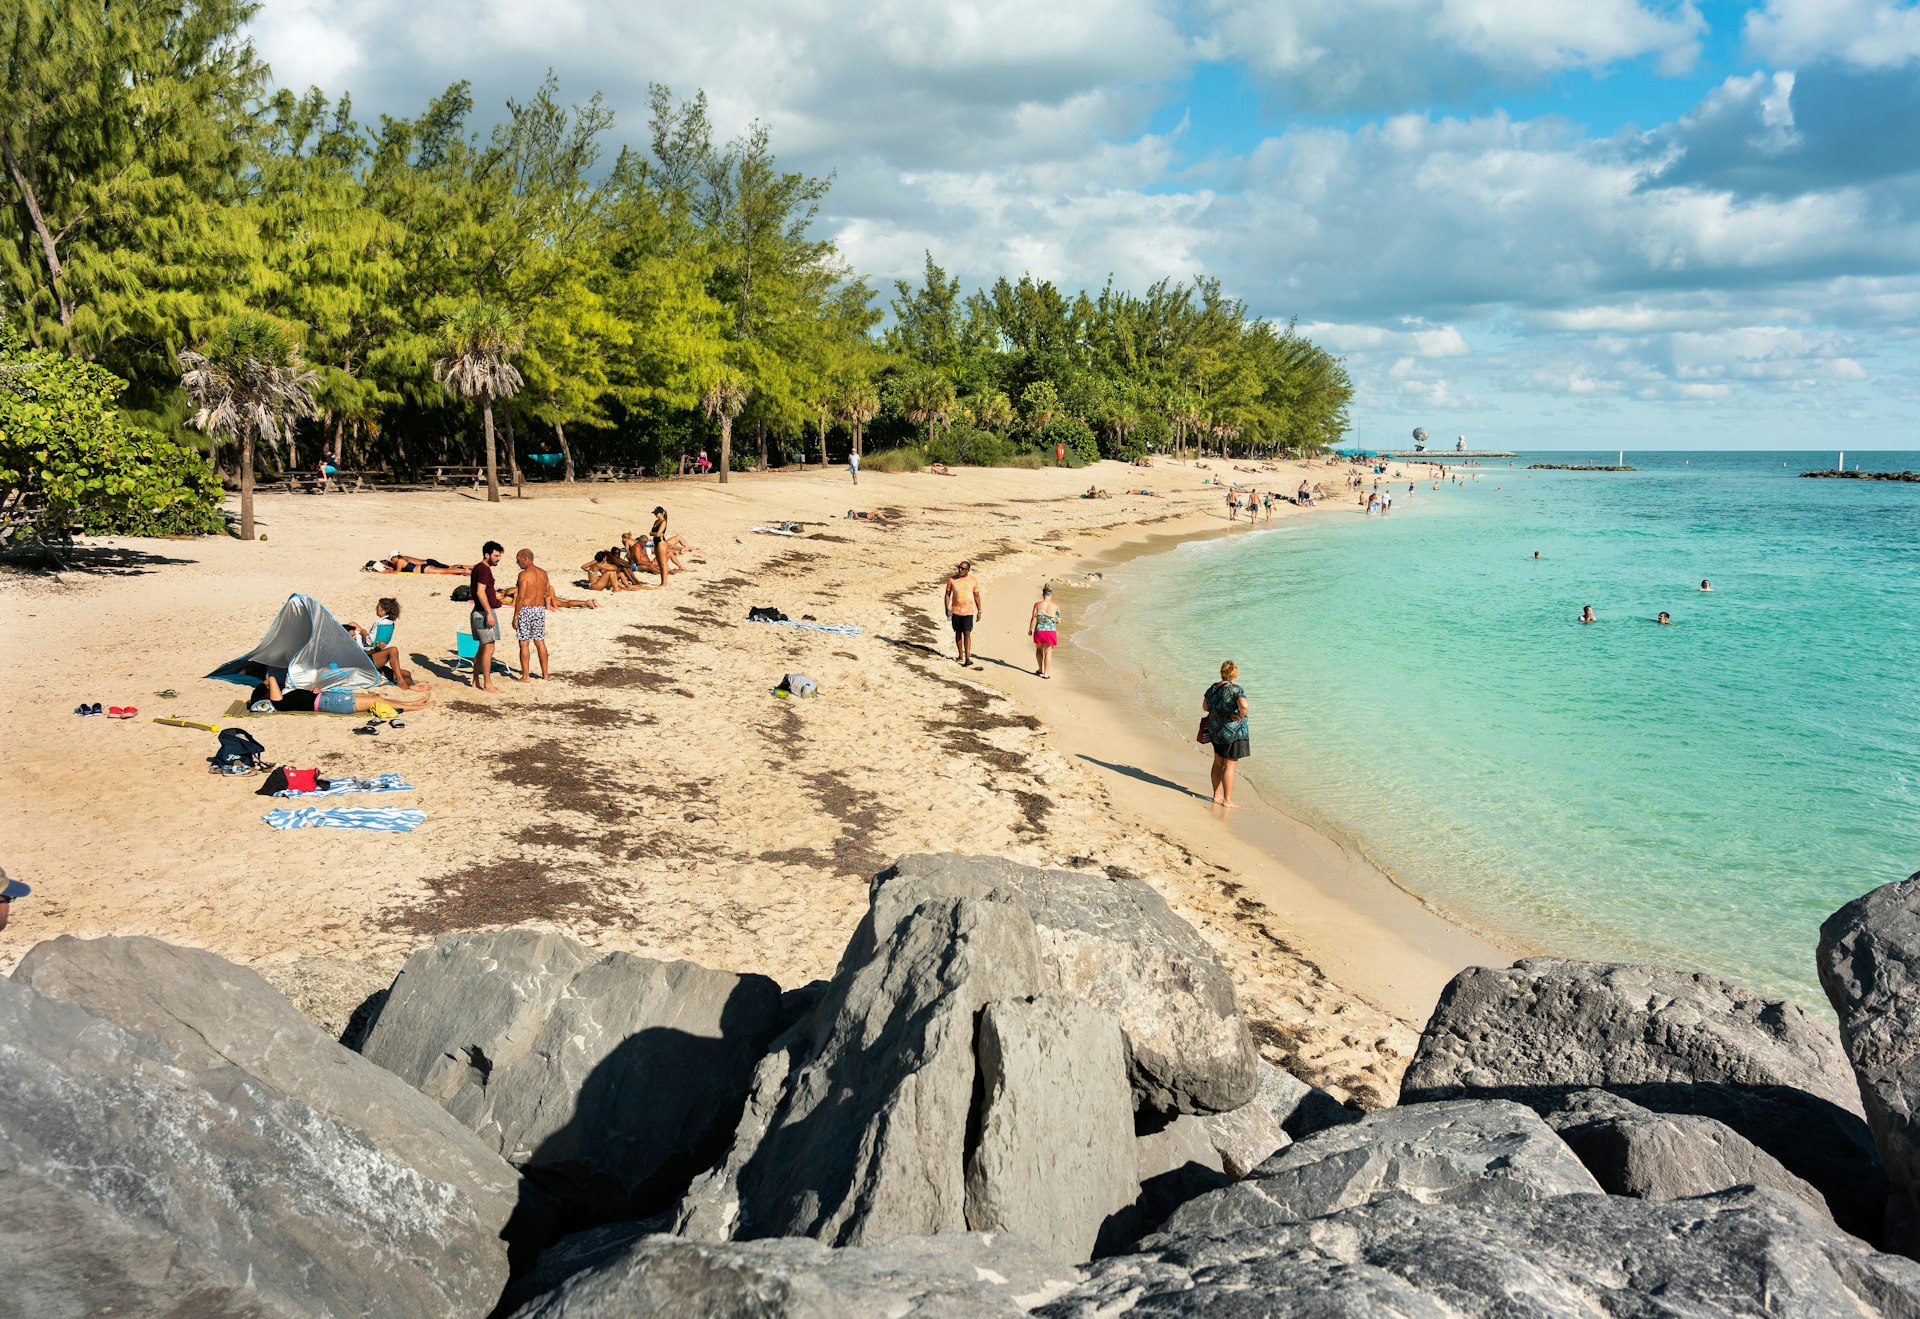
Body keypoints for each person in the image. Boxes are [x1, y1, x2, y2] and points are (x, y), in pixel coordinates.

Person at [249, 674, 432, 714]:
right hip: (332, 703)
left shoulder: (284, 699)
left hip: (328, 698)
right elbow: (272, 678)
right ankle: (415, 706)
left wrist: (314, 691)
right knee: (377, 702)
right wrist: (264, 683)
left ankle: (412, 703)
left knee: (378, 698)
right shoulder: (278, 702)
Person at [345, 598, 424, 690]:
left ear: (384, 610)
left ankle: (411, 686)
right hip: (366, 661)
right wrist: (367, 638)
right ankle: (401, 682)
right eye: (352, 635)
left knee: (406, 673)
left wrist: (364, 634)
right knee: (393, 650)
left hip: (373, 655)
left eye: (378, 607)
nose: (376, 608)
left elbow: (357, 629)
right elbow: (362, 653)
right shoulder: (351, 642)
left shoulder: (356, 631)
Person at [1203, 660, 1250, 810]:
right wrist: (1240, 716)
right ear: (1235, 673)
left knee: (1218, 762)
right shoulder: (1236, 690)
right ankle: (1227, 800)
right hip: (1232, 732)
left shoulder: (1213, 688)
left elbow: (1205, 707)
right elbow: (1244, 706)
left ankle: (1217, 795)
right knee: (1229, 766)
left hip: (1215, 730)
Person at [509, 549, 558, 681]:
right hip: (539, 609)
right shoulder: (543, 573)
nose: (517, 562)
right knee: (540, 641)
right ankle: (545, 675)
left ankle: (525, 676)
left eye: (518, 559)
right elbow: (547, 592)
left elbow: (520, 597)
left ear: (525, 559)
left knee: (524, 643)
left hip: (526, 609)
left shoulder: (523, 575)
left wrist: (515, 616)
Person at [469, 541, 505, 692]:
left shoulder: (480, 568)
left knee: (483, 648)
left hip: (480, 612)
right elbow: (479, 592)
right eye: (496, 556)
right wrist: (489, 612)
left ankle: (475, 680)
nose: (498, 559)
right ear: (487, 555)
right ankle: (487, 684)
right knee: (489, 648)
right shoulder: (483, 570)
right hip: (483, 613)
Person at [944, 560, 983, 668]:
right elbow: (947, 594)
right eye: (959, 567)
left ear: (968, 570)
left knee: (967, 633)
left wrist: (979, 610)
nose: (960, 570)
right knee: (957, 632)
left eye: (963, 568)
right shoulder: (952, 579)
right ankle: (960, 654)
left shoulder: (973, 580)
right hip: (955, 611)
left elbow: (976, 596)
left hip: (968, 611)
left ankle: (967, 658)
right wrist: (946, 608)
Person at [1028, 585, 1061, 678]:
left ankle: (1040, 669)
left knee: (1039, 650)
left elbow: (1033, 618)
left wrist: (1030, 630)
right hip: (1050, 632)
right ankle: (1046, 673)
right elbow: (1058, 621)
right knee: (1048, 652)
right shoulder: (1056, 606)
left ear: (1043, 594)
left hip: (1039, 630)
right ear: (1051, 595)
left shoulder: (1037, 604)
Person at [365, 554, 468, 575]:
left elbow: (397, 572)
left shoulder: (400, 561)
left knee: (447, 570)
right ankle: (466, 569)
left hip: (423, 569)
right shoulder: (402, 560)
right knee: (447, 570)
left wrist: (386, 571)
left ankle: (466, 570)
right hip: (423, 567)